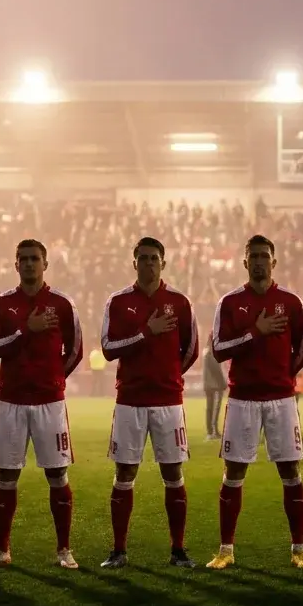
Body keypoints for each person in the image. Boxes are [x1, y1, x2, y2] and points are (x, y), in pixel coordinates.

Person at [206, 235, 303, 570]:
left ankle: (299, 550)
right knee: (234, 470)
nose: (259, 261)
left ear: (274, 262)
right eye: (253, 256)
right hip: (242, 398)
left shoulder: (291, 303)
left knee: (290, 470)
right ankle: (225, 550)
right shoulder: (230, 302)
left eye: (264, 256)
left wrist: (283, 376)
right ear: (244, 262)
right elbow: (219, 349)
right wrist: (256, 331)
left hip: (281, 399)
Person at [0, 239, 83, 570]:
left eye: (34, 259)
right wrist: (26, 330)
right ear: (15, 265)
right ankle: (1, 550)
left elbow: (76, 350)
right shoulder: (2, 304)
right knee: (7, 476)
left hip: (49, 402)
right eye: (22, 259)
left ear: (45, 264)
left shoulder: (62, 305)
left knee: (57, 474)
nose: (28, 264)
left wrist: (55, 377)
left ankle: (64, 550)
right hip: (11, 400)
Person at [98, 236, 199, 569]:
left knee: (173, 472)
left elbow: (191, 349)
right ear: (134, 263)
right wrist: (146, 332)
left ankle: (179, 550)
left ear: (163, 263)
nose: (148, 263)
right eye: (142, 258)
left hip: (168, 401)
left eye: (154, 258)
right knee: (125, 472)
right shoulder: (118, 301)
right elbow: (109, 348)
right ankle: (118, 550)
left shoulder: (180, 302)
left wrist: (169, 375)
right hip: (130, 399)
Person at [202, 345, 227, 440]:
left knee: (210, 409)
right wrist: (223, 383)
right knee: (214, 408)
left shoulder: (206, 352)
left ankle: (212, 431)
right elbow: (216, 370)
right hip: (215, 385)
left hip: (209, 384)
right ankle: (213, 431)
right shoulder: (211, 353)